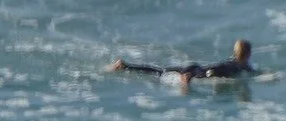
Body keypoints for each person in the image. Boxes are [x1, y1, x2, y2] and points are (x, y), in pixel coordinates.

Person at [108, 39, 254, 91]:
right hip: (195, 71)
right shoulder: (235, 66)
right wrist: (191, 76)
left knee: (159, 71)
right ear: (248, 54)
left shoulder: (237, 64)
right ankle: (125, 66)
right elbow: (214, 70)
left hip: (194, 67)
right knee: (159, 72)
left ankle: (126, 66)